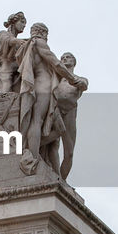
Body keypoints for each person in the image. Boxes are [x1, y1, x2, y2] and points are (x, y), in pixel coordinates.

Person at [18, 23, 85, 174]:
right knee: (38, 122)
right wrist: (72, 78)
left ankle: (49, 168)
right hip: (44, 89)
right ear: (44, 33)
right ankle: (33, 159)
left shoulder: (26, 46)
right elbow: (55, 64)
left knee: (47, 129)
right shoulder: (39, 43)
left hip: (33, 90)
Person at [51, 52, 86, 180]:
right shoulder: (55, 79)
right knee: (53, 144)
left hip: (70, 112)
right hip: (55, 111)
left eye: (68, 57)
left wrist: (69, 77)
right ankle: (56, 177)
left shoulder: (80, 79)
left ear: (74, 62)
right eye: (62, 57)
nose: (65, 58)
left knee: (69, 152)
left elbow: (83, 85)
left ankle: (63, 180)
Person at [0, 11, 27, 99]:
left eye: (25, 23)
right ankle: (3, 99)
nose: (24, 25)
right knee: (5, 88)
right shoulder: (3, 33)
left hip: (16, 66)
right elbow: (7, 40)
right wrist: (17, 41)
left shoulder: (17, 40)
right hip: (6, 66)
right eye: (22, 22)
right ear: (14, 22)